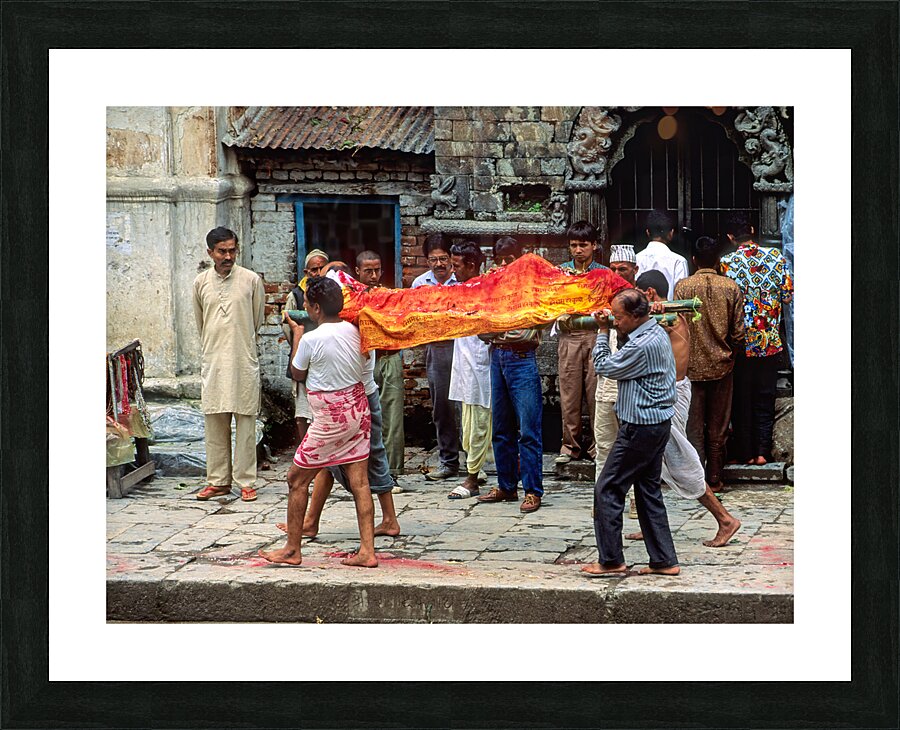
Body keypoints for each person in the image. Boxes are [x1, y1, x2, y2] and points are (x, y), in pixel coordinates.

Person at [259, 277, 377, 568]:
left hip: (329, 417)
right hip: (358, 410)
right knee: (360, 482)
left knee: (296, 479)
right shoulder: (358, 333)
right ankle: (367, 551)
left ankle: (292, 549)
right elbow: (366, 373)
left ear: (314, 308)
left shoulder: (312, 338)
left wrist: (298, 334)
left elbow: (297, 373)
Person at [632, 270, 742, 547]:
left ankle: (725, 519)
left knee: (682, 463)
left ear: (649, 294)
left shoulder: (669, 319)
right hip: (663, 395)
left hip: (669, 397)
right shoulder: (662, 316)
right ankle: (650, 525)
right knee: (648, 466)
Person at [581, 288, 680, 577]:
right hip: (654, 423)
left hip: (640, 427)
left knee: (608, 488)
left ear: (637, 316)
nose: (615, 321)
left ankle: (611, 559)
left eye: (619, 317)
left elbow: (604, 366)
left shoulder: (643, 345)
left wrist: (601, 333)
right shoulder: (654, 332)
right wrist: (613, 327)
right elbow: (625, 347)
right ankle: (664, 560)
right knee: (648, 491)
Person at [193, 227, 265, 503]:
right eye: (222, 251)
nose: (228, 256)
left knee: (246, 422)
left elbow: (256, 321)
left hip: (242, 359)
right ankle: (218, 481)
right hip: (213, 360)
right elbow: (201, 323)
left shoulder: (251, 280)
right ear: (210, 252)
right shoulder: (200, 282)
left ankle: (246, 481)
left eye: (232, 250)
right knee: (214, 422)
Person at [476, 237, 545, 514]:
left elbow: (527, 327)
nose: (504, 264)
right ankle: (506, 485)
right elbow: (482, 328)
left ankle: (532, 490)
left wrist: (499, 326)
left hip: (522, 357)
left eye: (510, 259)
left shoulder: (532, 288)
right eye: (500, 259)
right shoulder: (490, 287)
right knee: (501, 427)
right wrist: (498, 327)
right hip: (498, 355)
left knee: (528, 428)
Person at [720, 214, 793, 465]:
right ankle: (763, 452)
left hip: (741, 342)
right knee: (765, 397)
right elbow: (787, 297)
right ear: (752, 230)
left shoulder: (727, 263)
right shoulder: (776, 257)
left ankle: (746, 452)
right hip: (770, 340)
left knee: (742, 398)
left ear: (731, 237)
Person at [673, 235, 745, 488]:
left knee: (693, 426)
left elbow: (678, 327)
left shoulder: (683, 287)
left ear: (693, 260)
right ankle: (715, 476)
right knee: (718, 425)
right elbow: (738, 333)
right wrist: (731, 354)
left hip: (690, 366)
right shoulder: (731, 287)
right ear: (718, 261)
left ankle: (697, 480)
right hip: (722, 364)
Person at [556, 221, 606, 465]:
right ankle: (570, 446)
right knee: (569, 394)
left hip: (596, 335)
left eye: (583, 245)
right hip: (569, 336)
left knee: (597, 394)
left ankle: (599, 445)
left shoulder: (603, 273)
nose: (578, 250)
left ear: (594, 245)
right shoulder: (561, 272)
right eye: (574, 245)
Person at [412, 233, 460, 481]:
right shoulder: (420, 284)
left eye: (443, 258)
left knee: (471, 405)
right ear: (426, 260)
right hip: (437, 348)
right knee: (442, 406)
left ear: (451, 258)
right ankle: (449, 461)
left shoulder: (462, 280)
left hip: (464, 346)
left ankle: (476, 464)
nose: (439, 264)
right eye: (433, 260)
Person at [446, 241, 492, 499]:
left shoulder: (487, 291)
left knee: (479, 422)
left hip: (480, 363)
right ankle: (475, 469)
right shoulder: (458, 289)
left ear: (472, 265)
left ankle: (472, 478)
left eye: (456, 266)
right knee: (467, 420)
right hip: (462, 362)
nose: (453, 272)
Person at [356, 250, 406, 485]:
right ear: (358, 272)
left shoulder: (391, 296)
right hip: (362, 361)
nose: (373, 275)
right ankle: (362, 472)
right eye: (368, 271)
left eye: (377, 270)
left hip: (389, 357)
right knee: (361, 419)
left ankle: (392, 471)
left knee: (392, 417)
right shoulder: (350, 299)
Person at [594, 243, 639, 477]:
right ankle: (601, 500)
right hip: (606, 387)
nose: (618, 274)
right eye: (613, 269)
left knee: (632, 448)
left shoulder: (643, 303)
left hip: (632, 389)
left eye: (623, 269)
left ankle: (633, 501)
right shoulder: (601, 300)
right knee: (604, 446)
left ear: (635, 270)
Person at [282, 249, 330, 445]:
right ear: (306, 272)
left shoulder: (332, 292)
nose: (317, 273)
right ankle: (305, 450)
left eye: (321, 268)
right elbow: (288, 326)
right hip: (303, 357)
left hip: (325, 358)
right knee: (303, 409)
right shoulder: (296, 295)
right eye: (313, 269)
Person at [635, 209, 689, 300]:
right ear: (671, 233)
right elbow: (682, 295)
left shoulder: (636, 259)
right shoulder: (679, 261)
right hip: (670, 312)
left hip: (641, 311)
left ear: (648, 232)